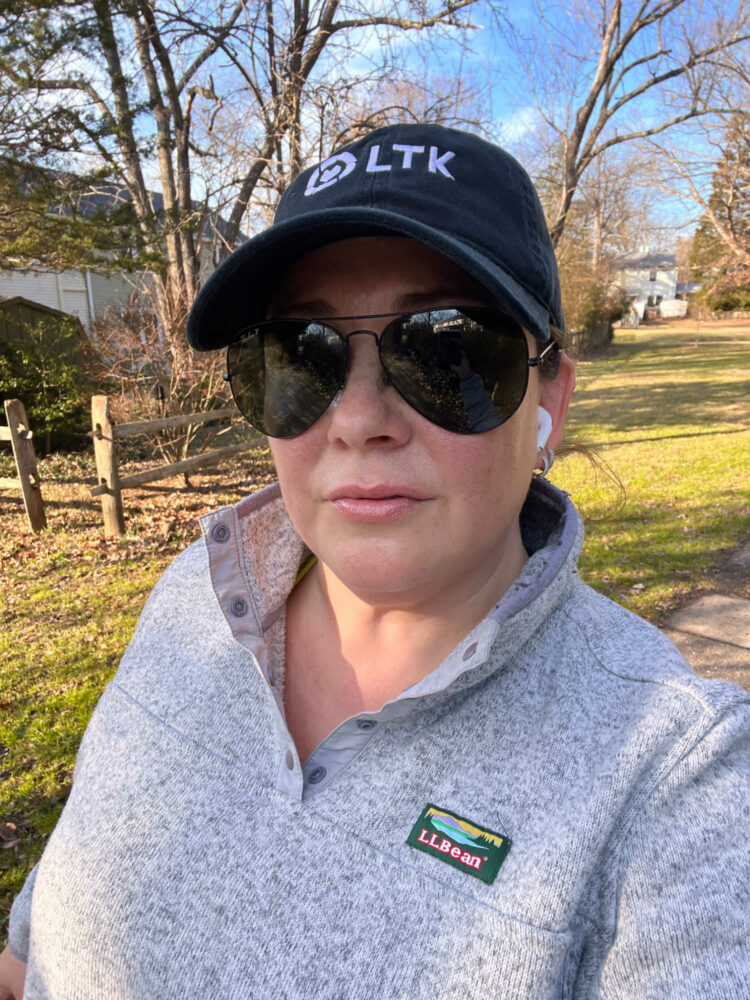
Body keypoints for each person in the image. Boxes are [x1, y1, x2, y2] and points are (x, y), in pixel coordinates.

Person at [2, 123, 749, 999]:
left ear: (551, 398)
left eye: (446, 349)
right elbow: (34, 954)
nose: (359, 420)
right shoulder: (193, 597)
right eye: (300, 353)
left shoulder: (675, 782)